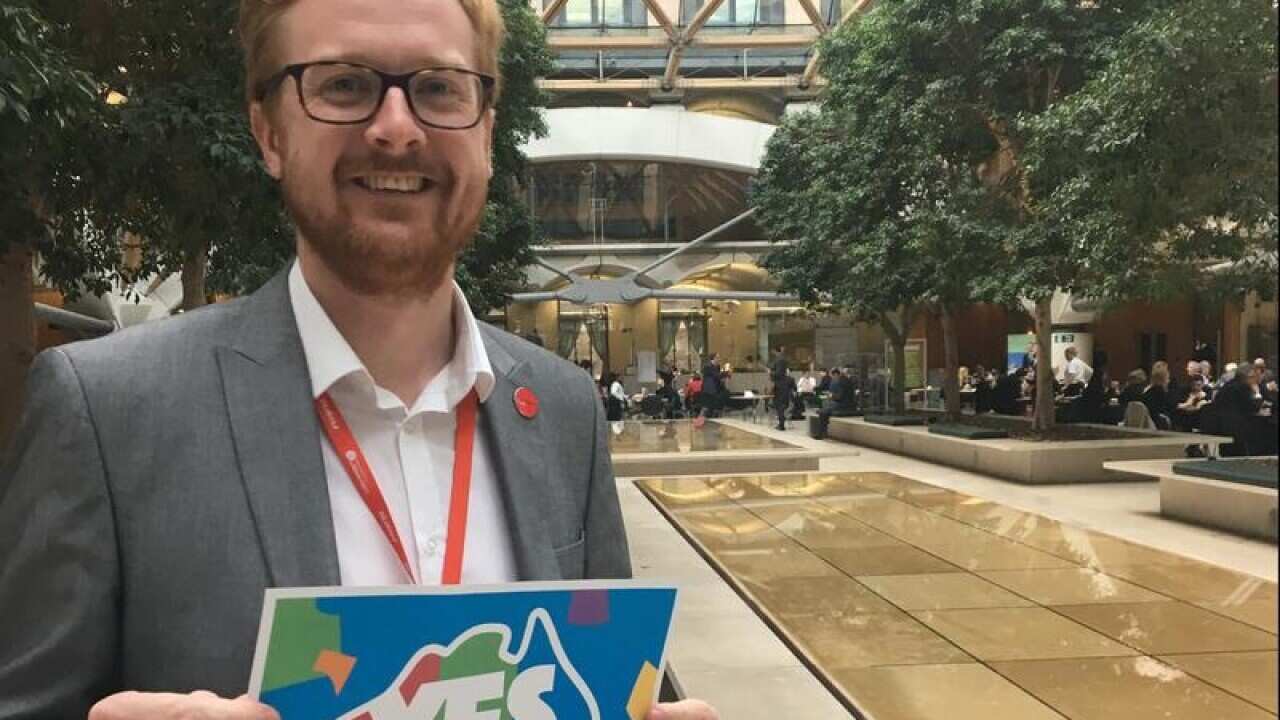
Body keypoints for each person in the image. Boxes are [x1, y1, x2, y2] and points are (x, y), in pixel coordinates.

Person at [0, 0, 717, 717]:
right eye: (344, 85)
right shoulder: (109, 412)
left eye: (439, 88)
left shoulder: (563, 413)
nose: (397, 128)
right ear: (268, 132)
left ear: (488, 132)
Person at [1141, 362, 1175, 430]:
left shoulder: (1148, 388)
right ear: (1165, 375)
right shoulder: (1159, 390)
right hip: (1157, 422)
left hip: (1148, 419)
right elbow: (1167, 407)